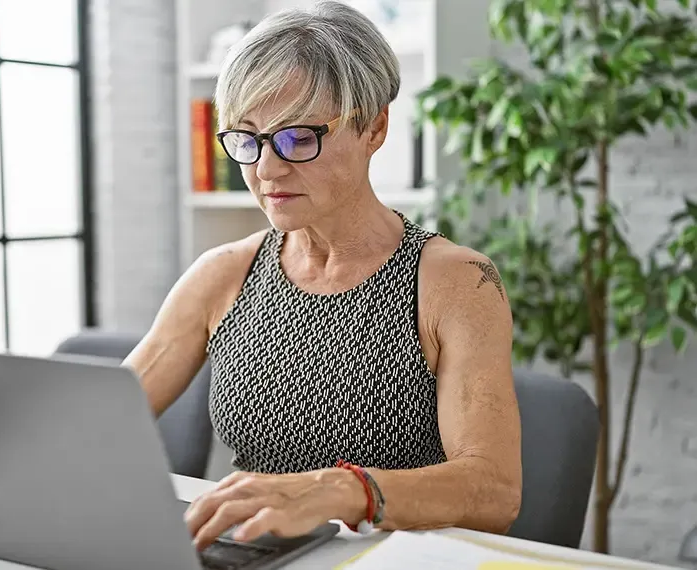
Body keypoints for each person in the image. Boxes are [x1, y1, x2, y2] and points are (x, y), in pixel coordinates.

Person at [123, 0, 522, 552]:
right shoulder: (222, 275)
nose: (266, 170)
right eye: (247, 138)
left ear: (374, 127)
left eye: (298, 137)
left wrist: (338, 490)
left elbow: (494, 490)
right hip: (259, 555)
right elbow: (105, 417)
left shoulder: (457, 282)